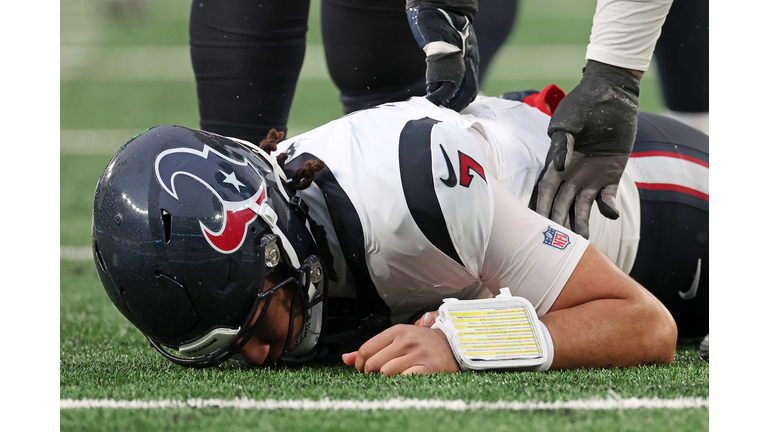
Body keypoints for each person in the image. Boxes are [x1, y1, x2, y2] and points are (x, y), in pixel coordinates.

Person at [91, 86, 708, 374]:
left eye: (253, 321)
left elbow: (643, 323)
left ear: (275, 241)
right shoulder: (296, 231)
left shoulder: (418, 198)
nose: (253, 354)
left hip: (656, 207)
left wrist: (464, 342)